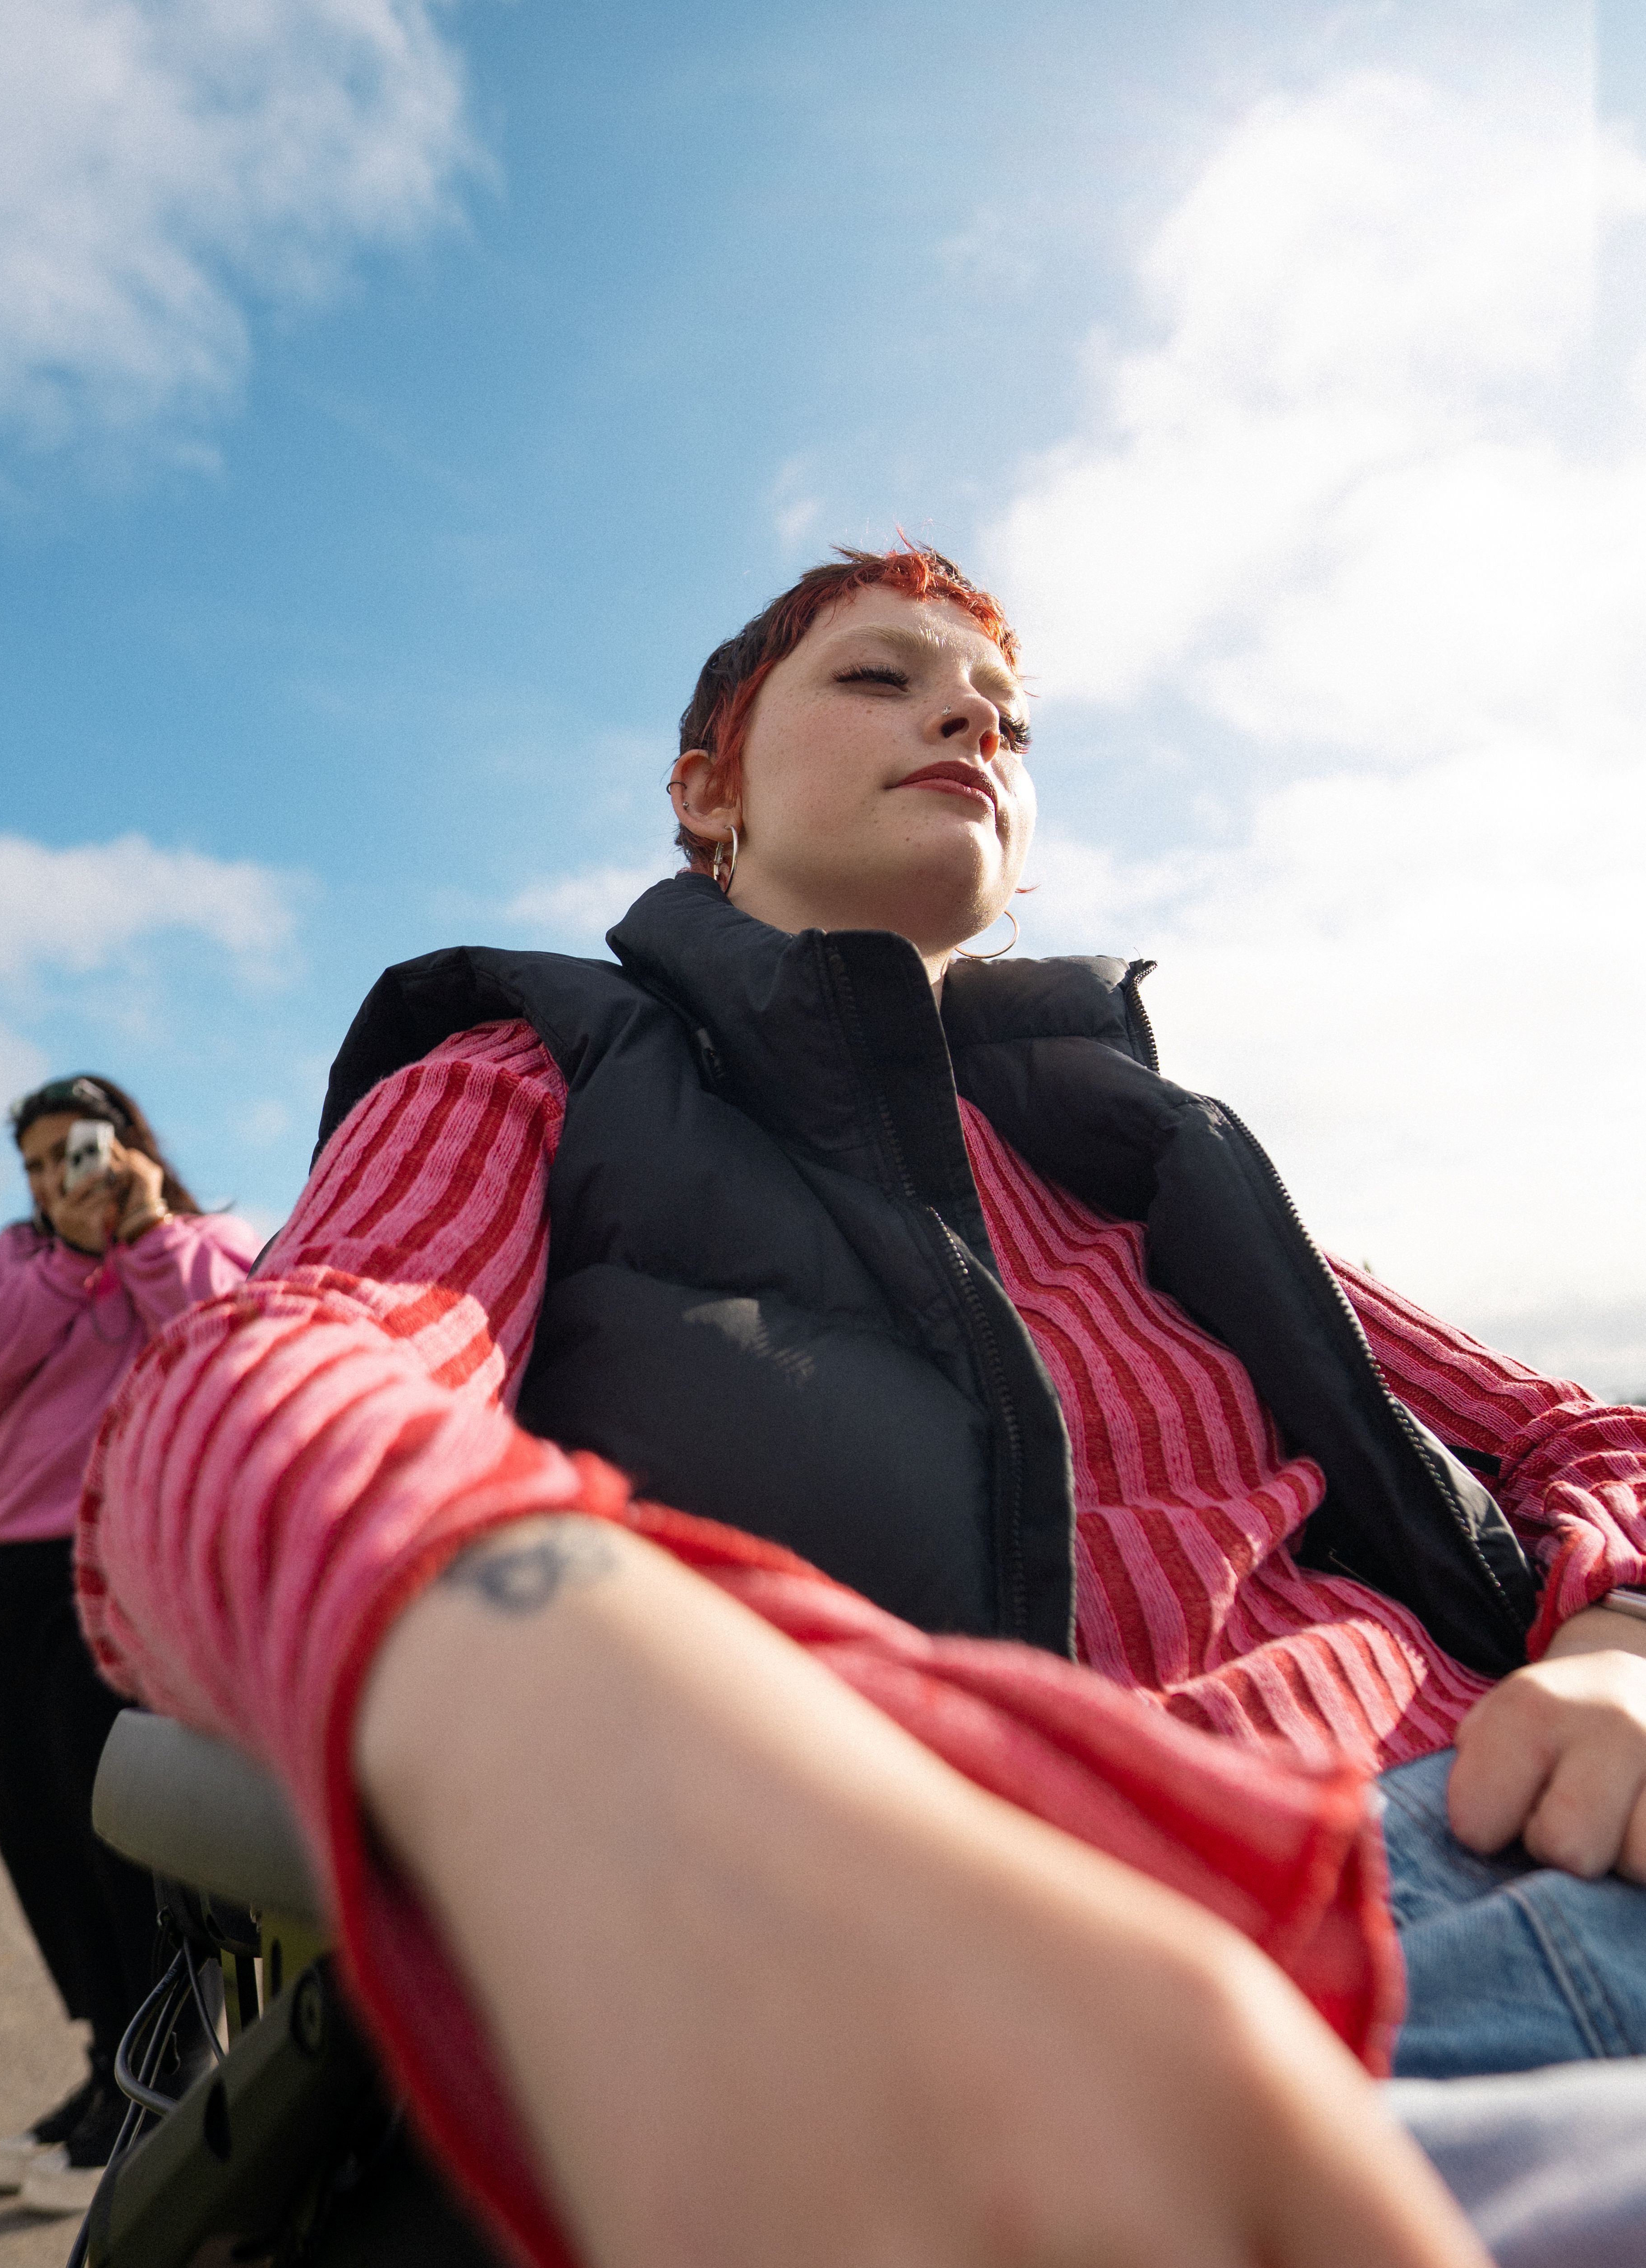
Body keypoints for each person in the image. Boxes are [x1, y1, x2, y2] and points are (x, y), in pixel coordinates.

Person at [79, 548, 1646, 2268]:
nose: (970, 714)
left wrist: (1613, 1642)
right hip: (1037, 1976)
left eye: (1006, 713)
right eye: (879, 679)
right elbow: (250, 1396)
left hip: (1532, 1819)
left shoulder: (1142, 1154)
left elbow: (1576, 1433)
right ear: (707, 795)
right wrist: (583, 1714)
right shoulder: (531, 1077)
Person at [0, 1076, 258, 2216]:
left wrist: (149, 1233)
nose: (55, 1178)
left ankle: (169, 2069)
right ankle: (113, 2052)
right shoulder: (13, 1263)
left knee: (122, 1819)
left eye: (75, 1150)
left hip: (126, 1552)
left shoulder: (203, 1236)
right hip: (9, 1565)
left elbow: (229, 1344)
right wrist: (67, 1262)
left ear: (128, 1142)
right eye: (33, 1164)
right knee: (33, 1818)